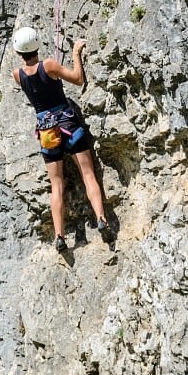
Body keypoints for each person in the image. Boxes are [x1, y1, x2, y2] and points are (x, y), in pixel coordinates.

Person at [11, 26, 114, 251]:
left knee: (56, 185)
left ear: (18, 52)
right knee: (87, 174)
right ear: (37, 44)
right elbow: (78, 79)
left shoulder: (17, 75)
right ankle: (101, 219)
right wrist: (76, 53)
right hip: (68, 125)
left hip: (46, 132)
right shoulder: (49, 65)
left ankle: (59, 236)